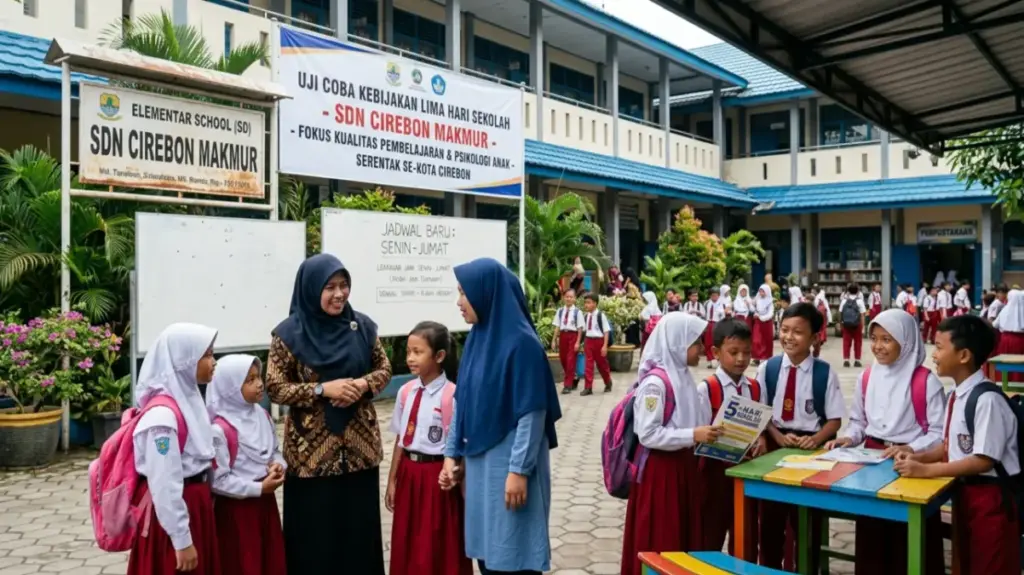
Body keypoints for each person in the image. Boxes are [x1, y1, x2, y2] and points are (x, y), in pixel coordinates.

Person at [266, 254, 392, 575]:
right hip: (311, 461)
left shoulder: (361, 326)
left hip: (359, 453)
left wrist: (363, 383)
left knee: (358, 539)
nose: (339, 294)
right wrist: (323, 390)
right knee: (315, 543)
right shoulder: (288, 335)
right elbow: (275, 388)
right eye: (330, 287)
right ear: (311, 289)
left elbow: (385, 368)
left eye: (344, 285)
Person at [443, 257, 562, 575]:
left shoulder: (523, 345)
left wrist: (519, 471)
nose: (459, 302)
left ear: (486, 293)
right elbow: (462, 401)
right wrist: (450, 454)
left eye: (463, 293)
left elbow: (533, 413)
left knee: (514, 554)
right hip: (480, 469)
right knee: (488, 557)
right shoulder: (477, 341)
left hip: (508, 468)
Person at [894, 315, 1020, 574]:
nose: (934, 354)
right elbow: (950, 446)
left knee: (991, 565)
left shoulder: (987, 400)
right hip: (966, 495)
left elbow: (983, 460)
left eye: (939, 347)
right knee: (966, 562)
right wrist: (918, 457)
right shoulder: (957, 395)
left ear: (963, 355)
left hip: (992, 500)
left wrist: (926, 471)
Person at [824, 311, 946, 575]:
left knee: (909, 532)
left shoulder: (925, 382)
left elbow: (939, 432)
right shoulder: (867, 377)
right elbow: (858, 421)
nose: (878, 346)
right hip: (872, 459)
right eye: (874, 338)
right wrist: (849, 437)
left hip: (912, 464)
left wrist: (911, 448)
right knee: (873, 528)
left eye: (887, 339)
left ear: (907, 341)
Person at [619, 313, 721, 575]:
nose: (701, 348)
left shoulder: (684, 377)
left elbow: (694, 420)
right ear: (677, 342)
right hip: (661, 474)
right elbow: (649, 434)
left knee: (683, 538)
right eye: (695, 342)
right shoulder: (656, 384)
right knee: (663, 538)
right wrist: (693, 435)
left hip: (684, 468)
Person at [755, 303, 845, 572]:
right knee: (770, 519)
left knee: (807, 522)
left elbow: (835, 419)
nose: (788, 337)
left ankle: (807, 567)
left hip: (811, 452)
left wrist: (816, 439)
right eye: (784, 330)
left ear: (815, 338)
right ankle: (770, 568)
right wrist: (775, 435)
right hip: (775, 447)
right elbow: (761, 411)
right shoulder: (768, 369)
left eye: (798, 332)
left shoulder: (824, 373)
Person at [127, 323, 220, 575]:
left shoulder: (189, 398)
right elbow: (164, 483)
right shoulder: (162, 419)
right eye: (207, 355)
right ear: (184, 360)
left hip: (195, 506)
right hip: (175, 517)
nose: (214, 362)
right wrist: (181, 539)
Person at [386, 322, 471, 575]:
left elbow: (460, 446)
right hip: (410, 475)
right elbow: (402, 440)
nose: (410, 358)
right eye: (409, 351)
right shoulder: (405, 392)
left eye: (418, 352)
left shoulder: (452, 395)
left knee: (437, 544)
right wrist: (392, 480)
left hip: (437, 478)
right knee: (407, 539)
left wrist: (456, 472)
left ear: (439, 356)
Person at [207, 355, 286, 575]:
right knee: (243, 562)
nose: (259, 384)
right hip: (237, 511)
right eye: (249, 380)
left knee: (269, 560)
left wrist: (277, 466)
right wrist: (259, 488)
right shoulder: (219, 430)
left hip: (265, 505)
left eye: (258, 377)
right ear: (230, 388)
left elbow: (274, 451)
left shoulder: (261, 415)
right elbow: (218, 481)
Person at [697, 319, 766, 554]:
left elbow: (760, 426)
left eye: (746, 353)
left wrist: (761, 440)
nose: (740, 359)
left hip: (746, 472)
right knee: (711, 534)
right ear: (716, 352)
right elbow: (699, 432)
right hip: (715, 474)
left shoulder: (754, 387)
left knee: (746, 535)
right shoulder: (707, 388)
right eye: (733, 352)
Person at [577, 292, 613, 395]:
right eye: (585, 303)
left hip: (599, 341)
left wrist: (605, 346)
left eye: (589, 303)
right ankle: (588, 387)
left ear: (595, 304)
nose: (586, 305)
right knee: (588, 365)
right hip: (589, 341)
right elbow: (584, 330)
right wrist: (581, 343)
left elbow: (606, 331)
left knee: (602, 365)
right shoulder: (585, 316)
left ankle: (608, 381)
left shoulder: (601, 316)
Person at [551, 289, 584, 393]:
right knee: (563, 359)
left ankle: (567, 385)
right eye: (567, 296)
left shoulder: (577, 312)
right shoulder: (560, 311)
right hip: (563, 336)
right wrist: (553, 340)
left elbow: (580, 329)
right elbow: (557, 326)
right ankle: (574, 377)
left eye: (571, 297)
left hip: (573, 336)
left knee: (570, 360)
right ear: (563, 298)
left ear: (574, 299)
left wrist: (578, 342)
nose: (569, 299)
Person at [992, 289, 1024, 383]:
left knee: (1005, 361)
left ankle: (1005, 383)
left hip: (1006, 340)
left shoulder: (1005, 310)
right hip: (1021, 341)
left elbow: (994, 324)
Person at [838, 283, 867, 368]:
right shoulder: (859, 301)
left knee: (846, 342)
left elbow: (840, 313)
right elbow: (862, 315)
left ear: (848, 291)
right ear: (858, 292)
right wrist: (863, 327)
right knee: (858, 342)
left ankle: (846, 360)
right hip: (857, 325)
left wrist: (841, 324)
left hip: (846, 324)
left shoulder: (844, 301)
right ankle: (857, 360)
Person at [752, 284, 775, 366]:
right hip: (758, 322)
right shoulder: (758, 299)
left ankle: (764, 358)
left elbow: (770, 314)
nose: (761, 293)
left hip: (766, 323)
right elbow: (755, 308)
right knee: (756, 340)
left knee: (766, 341)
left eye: (763, 291)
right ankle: (758, 357)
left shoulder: (770, 302)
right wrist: (756, 314)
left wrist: (761, 317)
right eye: (760, 291)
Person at [704, 289, 724, 368]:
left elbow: (723, 314)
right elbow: (705, 314)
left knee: (717, 342)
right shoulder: (707, 303)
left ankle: (719, 359)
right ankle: (710, 359)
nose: (714, 297)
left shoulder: (721, 304)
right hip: (709, 323)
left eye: (716, 295)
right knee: (708, 342)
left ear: (718, 296)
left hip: (717, 323)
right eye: (712, 295)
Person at [812, 287, 832, 356]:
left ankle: (819, 340)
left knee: (819, 328)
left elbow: (815, 306)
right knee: (823, 327)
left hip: (818, 313)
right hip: (824, 313)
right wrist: (829, 318)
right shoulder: (823, 297)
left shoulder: (817, 298)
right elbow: (827, 307)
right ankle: (822, 339)